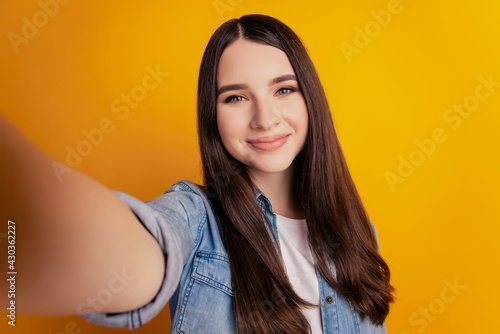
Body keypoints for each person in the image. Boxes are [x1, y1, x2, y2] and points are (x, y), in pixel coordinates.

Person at [0, 14, 394, 334]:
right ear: (213, 116)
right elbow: (137, 254)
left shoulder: (358, 233)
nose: (265, 118)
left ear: (311, 99)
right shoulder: (196, 217)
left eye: (284, 90)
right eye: (236, 97)